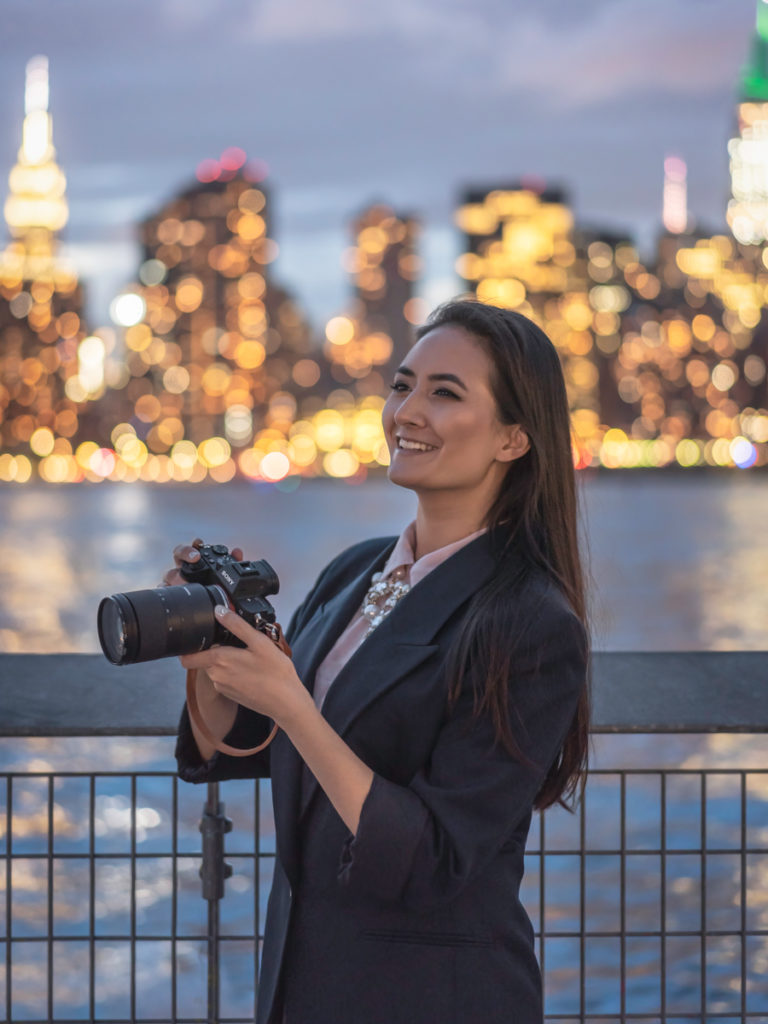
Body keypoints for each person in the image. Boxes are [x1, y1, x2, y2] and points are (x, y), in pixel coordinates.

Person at [172, 299, 590, 1024]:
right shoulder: (354, 573)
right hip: (304, 980)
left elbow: (435, 857)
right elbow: (249, 747)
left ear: (514, 438)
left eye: (445, 393)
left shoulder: (532, 623)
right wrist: (207, 663)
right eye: (402, 385)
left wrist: (295, 705)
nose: (408, 412)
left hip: (431, 994)